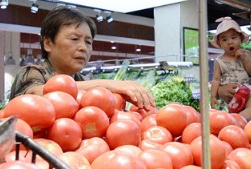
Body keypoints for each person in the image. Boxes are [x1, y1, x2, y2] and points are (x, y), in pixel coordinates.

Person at [9, 6, 155, 109]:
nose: (83, 47)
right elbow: (36, 94)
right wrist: (109, 85)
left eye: (88, 42)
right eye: (74, 39)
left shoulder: (82, 81)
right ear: (48, 43)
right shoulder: (32, 73)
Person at [210, 17, 251, 111]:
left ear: (241, 38)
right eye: (224, 40)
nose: (230, 42)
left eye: (233, 37)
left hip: (246, 89)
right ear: (219, 44)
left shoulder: (246, 54)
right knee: (233, 114)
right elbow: (216, 79)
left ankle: (250, 120)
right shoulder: (219, 60)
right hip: (230, 93)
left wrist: (244, 58)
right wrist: (213, 97)